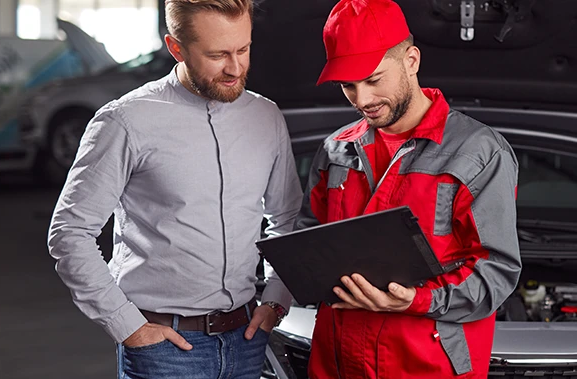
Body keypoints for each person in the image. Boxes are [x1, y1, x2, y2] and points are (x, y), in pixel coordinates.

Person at [47, 0, 302, 377]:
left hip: (249, 339)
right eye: (218, 55)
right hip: (164, 350)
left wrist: (277, 300)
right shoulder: (125, 121)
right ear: (176, 48)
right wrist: (126, 325)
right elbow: (70, 233)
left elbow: (286, 218)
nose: (235, 68)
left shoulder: (266, 117)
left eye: (243, 50)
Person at [294, 0, 522, 377]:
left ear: (411, 61)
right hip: (335, 363)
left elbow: (494, 274)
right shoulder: (336, 150)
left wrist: (415, 300)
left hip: (425, 365)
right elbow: (307, 243)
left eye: (373, 79)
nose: (362, 100)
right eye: (348, 86)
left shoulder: (478, 153)